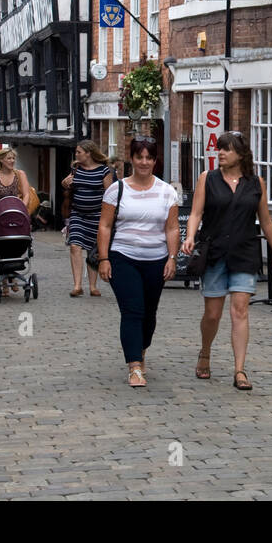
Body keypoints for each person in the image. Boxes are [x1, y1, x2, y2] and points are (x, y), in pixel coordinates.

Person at [182, 131, 272, 390]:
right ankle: (205, 352)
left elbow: (266, 220)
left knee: (239, 310)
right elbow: (195, 213)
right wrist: (190, 236)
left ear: (240, 154)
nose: (221, 153)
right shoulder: (208, 179)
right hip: (215, 252)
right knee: (213, 314)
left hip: (244, 252)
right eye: (219, 149)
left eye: (226, 150)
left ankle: (240, 370)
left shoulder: (255, 183)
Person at [96, 136, 180, 388]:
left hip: (156, 258)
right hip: (123, 257)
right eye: (139, 157)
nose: (144, 162)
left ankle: (140, 350)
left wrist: (172, 258)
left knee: (149, 313)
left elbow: (172, 228)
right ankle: (134, 366)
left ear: (155, 160)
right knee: (132, 310)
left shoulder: (167, 191)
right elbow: (105, 225)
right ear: (131, 159)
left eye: (149, 157)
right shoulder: (117, 189)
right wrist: (103, 259)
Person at [63, 140, 113, 296]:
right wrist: (65, 184)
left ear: (88, 153)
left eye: (79, 152)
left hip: (97, 216)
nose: (76, 155)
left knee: (93, 250)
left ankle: (92, 286)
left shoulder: (104, 171)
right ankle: (77, 285)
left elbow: (110, 194)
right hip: (78, 214)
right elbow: (67, 185)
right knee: (74, 246)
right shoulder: (76, 169)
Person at [0, 147, 31, 221]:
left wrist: (21, 209)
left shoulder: (20, 174)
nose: (12, 161)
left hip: (16, 214)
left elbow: (26, 195)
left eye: (13, 158)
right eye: (9, 158)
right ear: (1, 160)